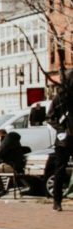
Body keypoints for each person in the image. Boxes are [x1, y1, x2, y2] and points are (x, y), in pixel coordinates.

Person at [46, 73, 71, 211]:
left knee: (60, 169)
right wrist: (62, 130)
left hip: (65, 138)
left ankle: (57, 201)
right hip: (64, 140)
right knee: (60, 170)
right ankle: (57, 200)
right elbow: (50, 117)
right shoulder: (60, 99)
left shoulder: (60, 98)